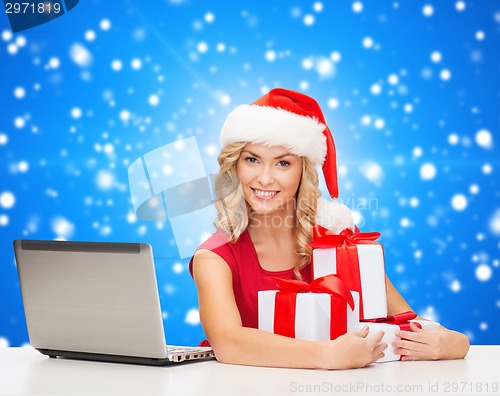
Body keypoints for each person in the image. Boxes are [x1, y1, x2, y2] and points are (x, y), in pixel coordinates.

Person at [189, 88, 470, 369]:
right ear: (235, 166)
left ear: (303, 171)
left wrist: (455, 343)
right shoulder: (215, 258)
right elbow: (228, 343)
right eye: (252, 160)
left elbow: (406, 322)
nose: (264, 178)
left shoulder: (340, 241)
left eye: (283, 163)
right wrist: (327, 355)